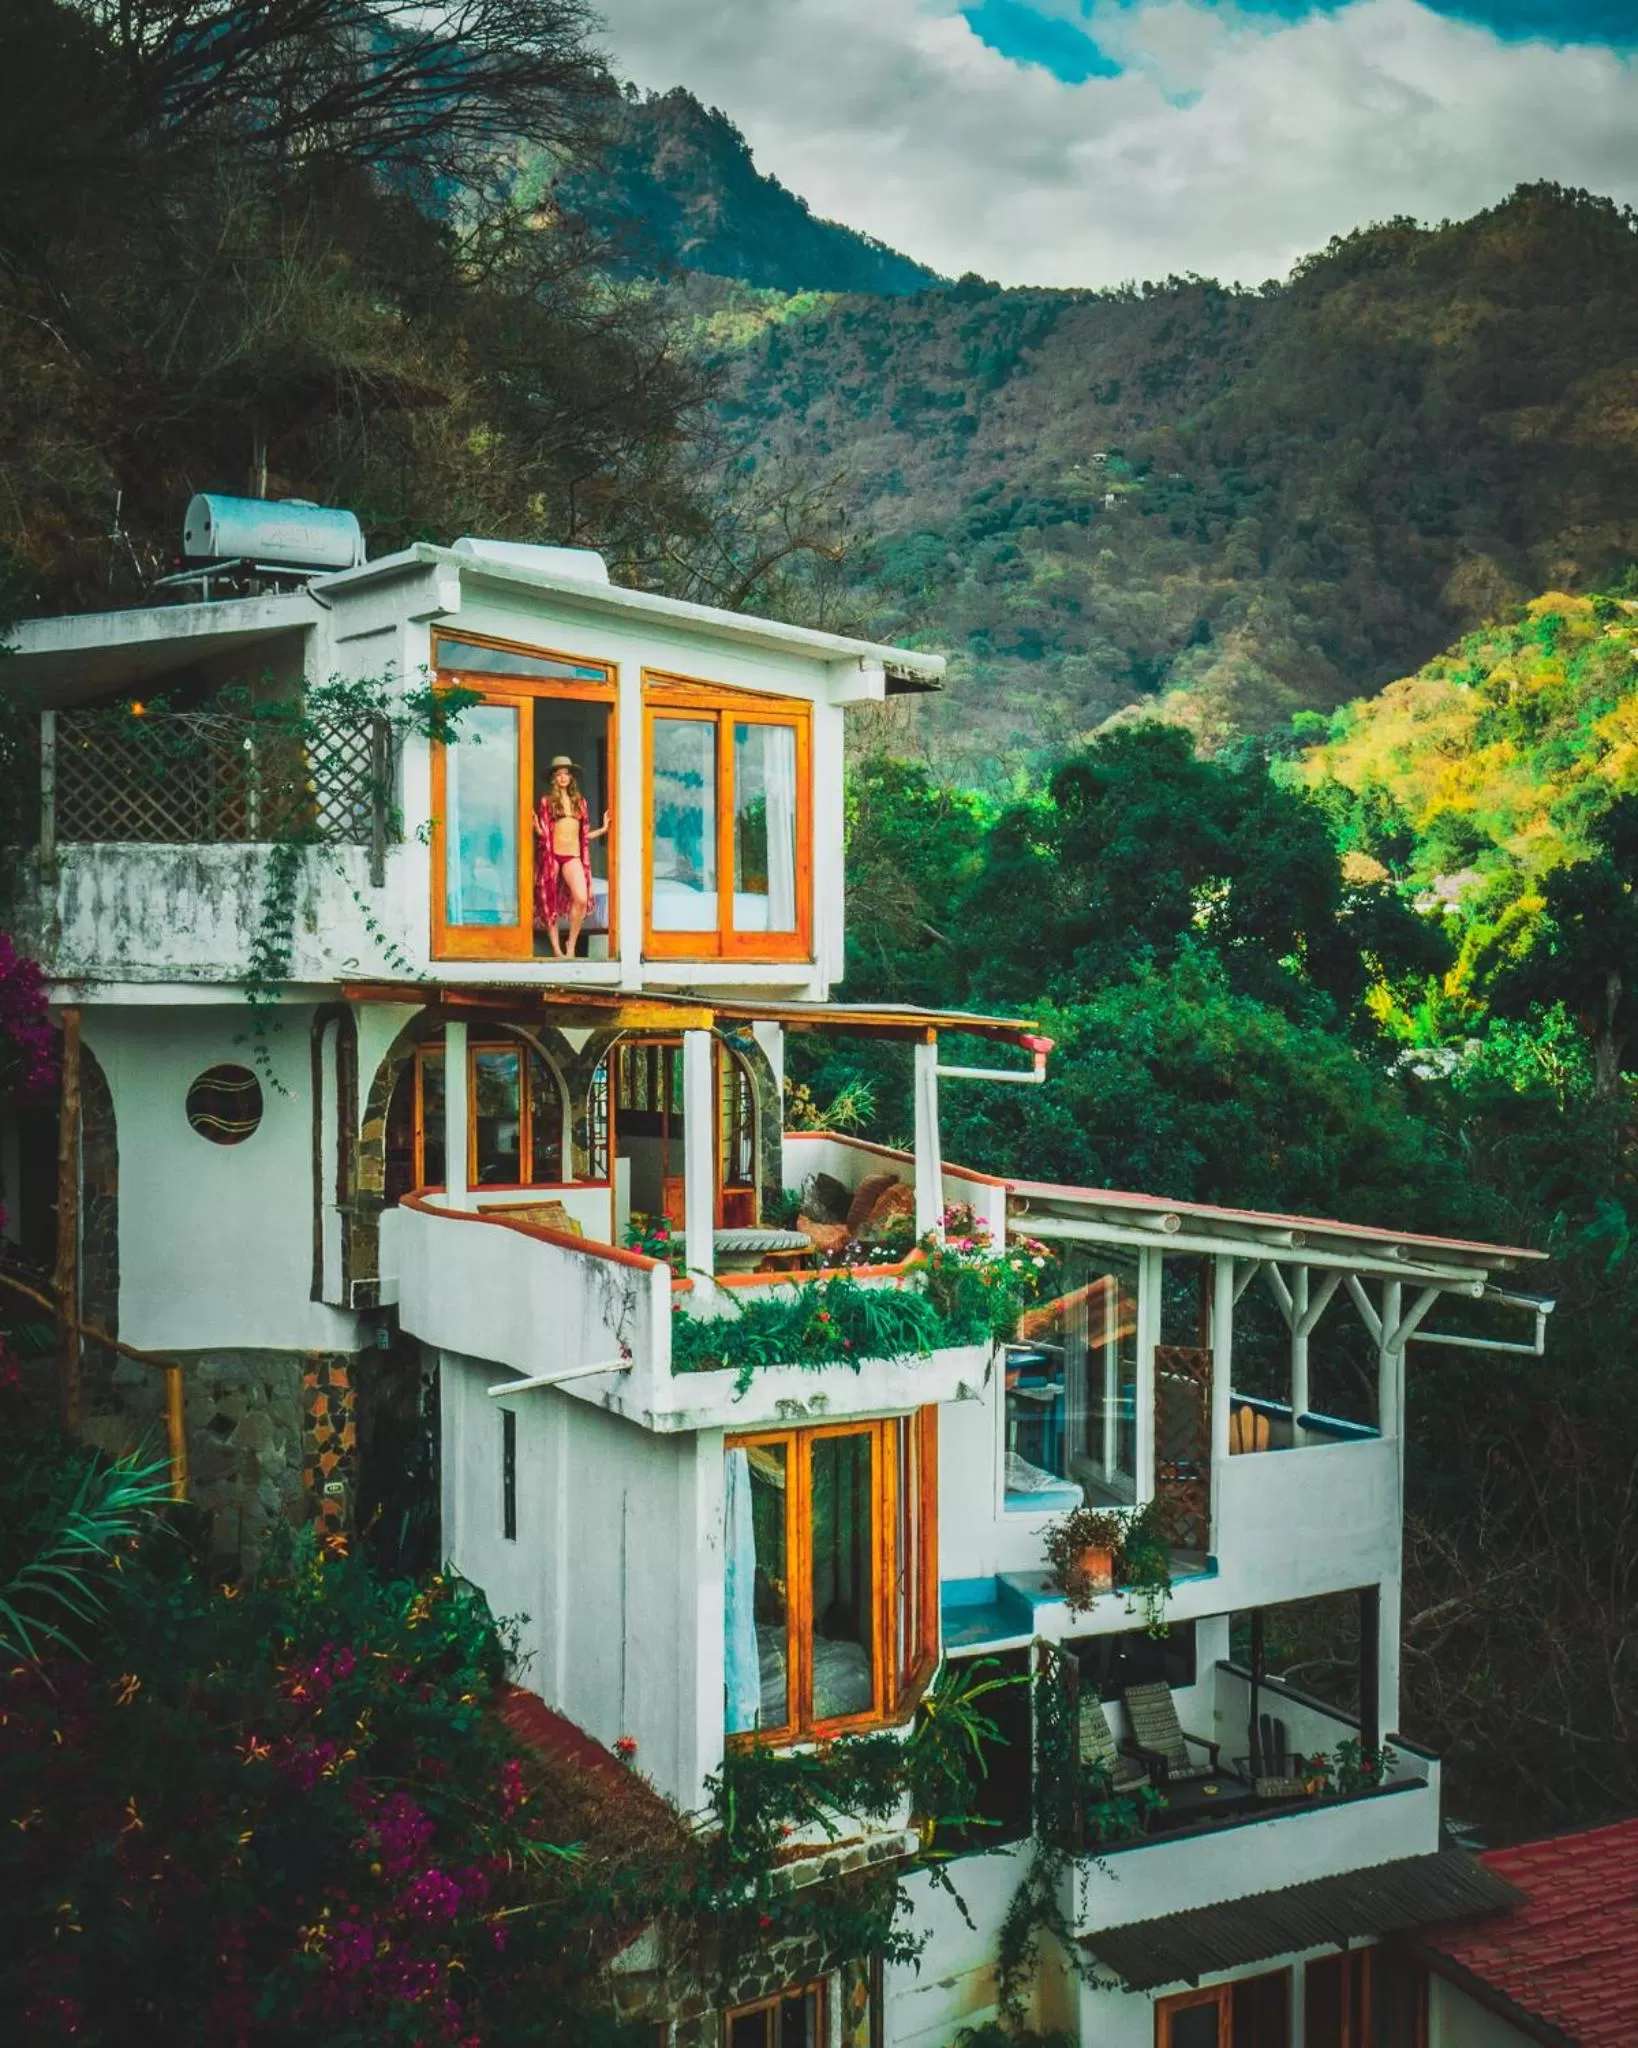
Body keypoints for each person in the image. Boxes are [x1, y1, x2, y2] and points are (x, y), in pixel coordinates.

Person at [534, 756, 610, 958]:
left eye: (566, 773)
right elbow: (544, 833)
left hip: (572, 856)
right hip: (553, 855)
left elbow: (584, 835)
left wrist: (603, 829)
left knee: (582, 899)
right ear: (553, 778)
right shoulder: (547, 801)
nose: (562, 777)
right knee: (548, 900)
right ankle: (557, 950)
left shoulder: (580, 802)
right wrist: (536, 828)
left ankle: (571, 944)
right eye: (558, 774)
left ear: (571, 777)